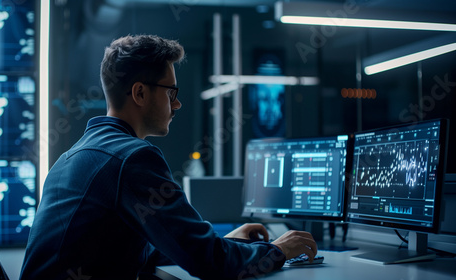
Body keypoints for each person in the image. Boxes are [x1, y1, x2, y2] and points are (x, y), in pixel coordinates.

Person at [20, 34, 318, 280]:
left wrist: (226, 242)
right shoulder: (132, 158)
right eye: (170, 92)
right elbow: (209, 264)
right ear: (139, 93)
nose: (176, 105)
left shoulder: (74, 155)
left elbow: (151, 246)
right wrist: (278, 250)